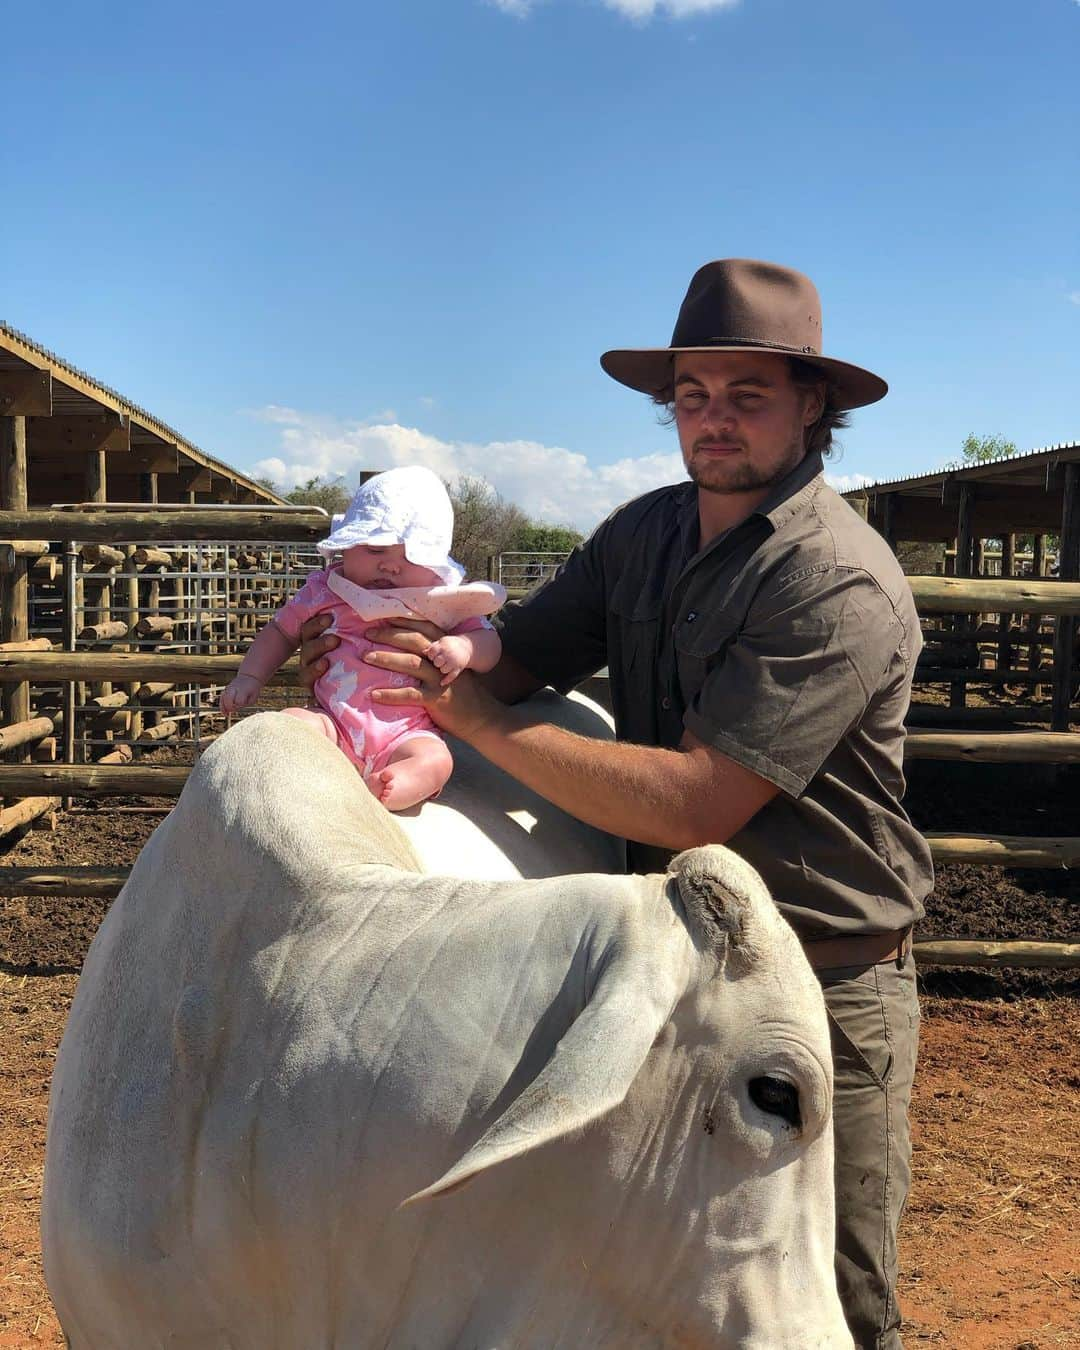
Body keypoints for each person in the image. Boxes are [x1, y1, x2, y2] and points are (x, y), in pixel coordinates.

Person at [298, 259, 934, 1348]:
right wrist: (386, 654)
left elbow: (698, 803)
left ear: (812, 404)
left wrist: (479, 726)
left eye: (747, 396)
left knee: (824, 1299)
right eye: (692, 396)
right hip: (668, 963)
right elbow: (523, 655)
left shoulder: (836, 579)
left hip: (821, 975)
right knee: (651, 1282)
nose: (712, 421)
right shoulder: (644, 535)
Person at [221, 465, 504, 810]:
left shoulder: (440, 601)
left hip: (405, 732)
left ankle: (395, 784)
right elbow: (280, 630)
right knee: (290, 726)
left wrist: (465, 647)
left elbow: (489, 643)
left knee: (436, 759)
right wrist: (250, 676)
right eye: (375, 550)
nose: (390, 566)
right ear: (347, 545)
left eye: (412, 556)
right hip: (333, 722)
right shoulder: (325, 591)